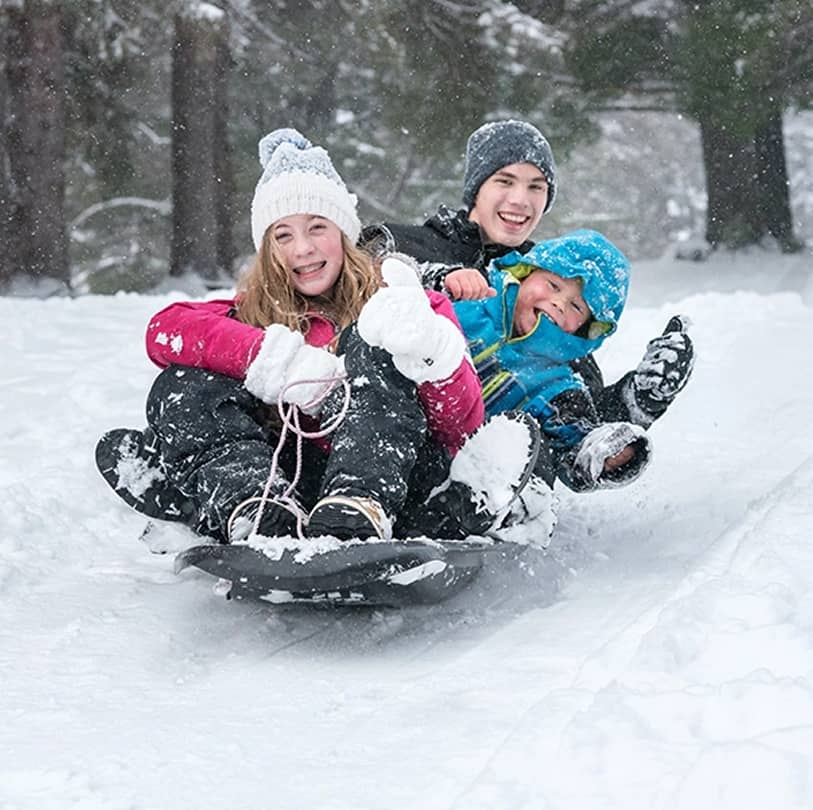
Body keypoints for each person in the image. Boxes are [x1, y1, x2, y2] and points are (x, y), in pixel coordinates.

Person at [96, 128, 537, 546]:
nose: (302, 249)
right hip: (291, 484)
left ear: (345, 236)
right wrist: (276, 362)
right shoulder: (253, 311)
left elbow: (460, 428)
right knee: (183, 385)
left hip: (396, 477)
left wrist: (432, 353)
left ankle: (369, 505)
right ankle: (252, 507)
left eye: (317, 228)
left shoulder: (404, 302)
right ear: (268, 250)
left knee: (372, 342)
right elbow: (166, 331)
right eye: (283, 235)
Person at [361, 119, 695, 441]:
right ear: (477, 188)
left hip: (481, 473)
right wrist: (431, 279)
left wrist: (639, 397)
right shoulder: (404, 244)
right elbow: (345, 296)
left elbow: (577, 419)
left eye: (536, 187)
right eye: (505, 181)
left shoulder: (550, 286)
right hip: (389, 428)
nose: (521, 200)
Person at [448, 228, 669, 492]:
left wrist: (607, 455)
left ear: (585, 330)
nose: (559, 303)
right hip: (409, 435)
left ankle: (506, 519)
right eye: (553, 285)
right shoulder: (468, 304)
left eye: (577, 307)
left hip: (462, 478)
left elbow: (574, 441)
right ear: (526, 272)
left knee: (531, 447)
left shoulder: (557, 386)